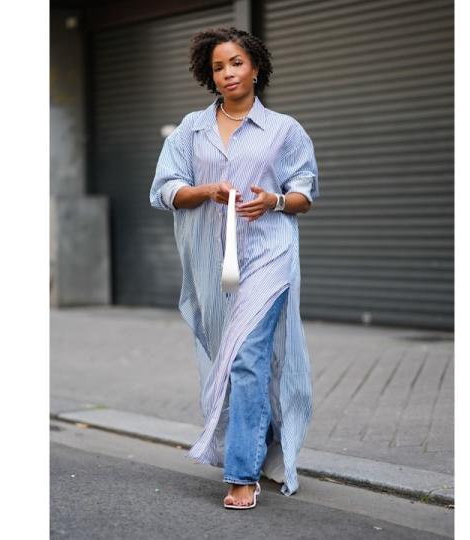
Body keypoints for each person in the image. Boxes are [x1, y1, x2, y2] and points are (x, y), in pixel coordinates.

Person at [149, 26, 319, 509]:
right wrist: (207, 191)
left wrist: (276, 200)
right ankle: (262, 440)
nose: (228, 73)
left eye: (237, 63)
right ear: (210, 73)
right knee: (228, 358)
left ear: (256, 67)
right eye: (219, 66)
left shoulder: (285, 130)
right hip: (211, 264)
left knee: (245, 358)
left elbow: (305, 193)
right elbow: (164, 190)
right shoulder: (191, 129)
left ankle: (241, 474)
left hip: (269, 255)